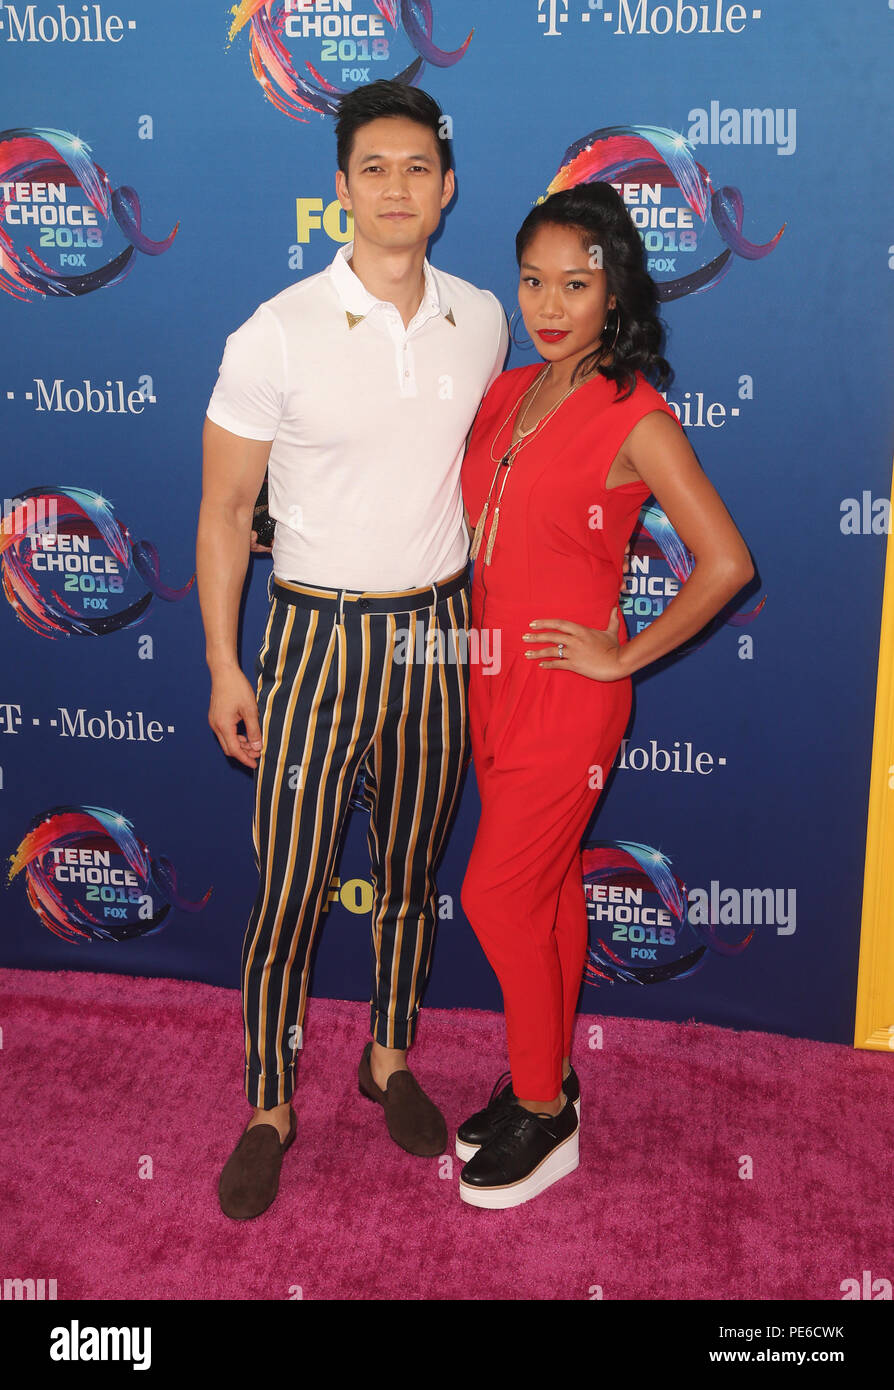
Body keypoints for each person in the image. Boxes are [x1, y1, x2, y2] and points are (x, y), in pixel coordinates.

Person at [196, 79, 507, 1220]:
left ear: (447, 188)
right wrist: (229, 666)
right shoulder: (271, 332)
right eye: (372, 168)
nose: (394, 188)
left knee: (414, 870)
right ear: (340, 190)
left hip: (438, 628)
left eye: (416, 169)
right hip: (314, 635)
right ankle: (271, 1104)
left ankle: (388, 1055)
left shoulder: (483, 317)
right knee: (288, 887)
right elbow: (227, 514)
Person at [456, 182, 754, 1209]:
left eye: (575, 284)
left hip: (568, 699)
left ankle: (544, 1108)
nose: (548, 303)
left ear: (613, 292)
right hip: (485, 685)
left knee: (496, 894)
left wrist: (623, 657)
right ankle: (552, 1077)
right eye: (534, 280)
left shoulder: (638, 415)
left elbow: (724, 563)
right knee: (545, 888)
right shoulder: (505, 391)